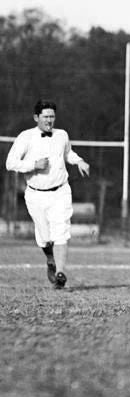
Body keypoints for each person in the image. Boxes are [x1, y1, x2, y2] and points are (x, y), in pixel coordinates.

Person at [5, 99, 90, 289]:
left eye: (52, 116)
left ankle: (60, 273)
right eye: (45, 117)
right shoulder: (25, 137)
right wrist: (33, 165)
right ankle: (50, 259)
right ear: (36, 117)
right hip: (36, 195)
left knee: (61, 232)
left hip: (60, 191)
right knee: (44, 237)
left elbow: (67, 153)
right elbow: (10, 163)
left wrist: (79, 161)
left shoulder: (62, 135)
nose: (49, 121)